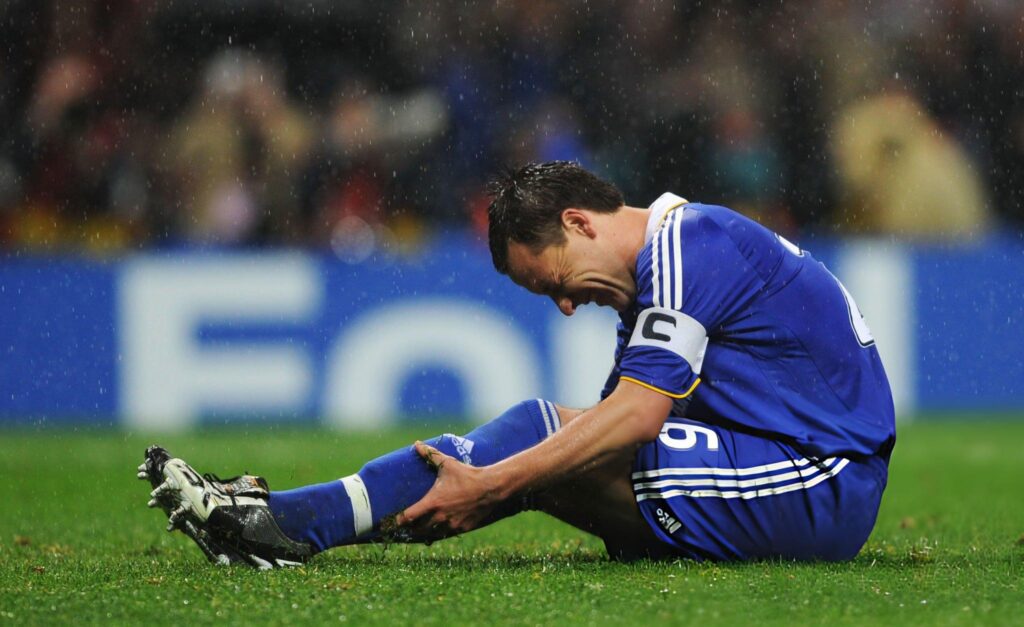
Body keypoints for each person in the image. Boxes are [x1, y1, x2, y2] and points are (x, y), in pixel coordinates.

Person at [139, 161, 895, 568]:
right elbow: (596, 436)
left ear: (579, 222)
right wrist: (494, 481)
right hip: (788, 465)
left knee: (537, 439)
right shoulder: (663, 276)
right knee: (542, 450)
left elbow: (636, 417)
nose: (564, 306)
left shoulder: (688, 244)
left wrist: (496, 481)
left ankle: (286, 523)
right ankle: (285, 522)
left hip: (822, 478)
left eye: (554, 281)